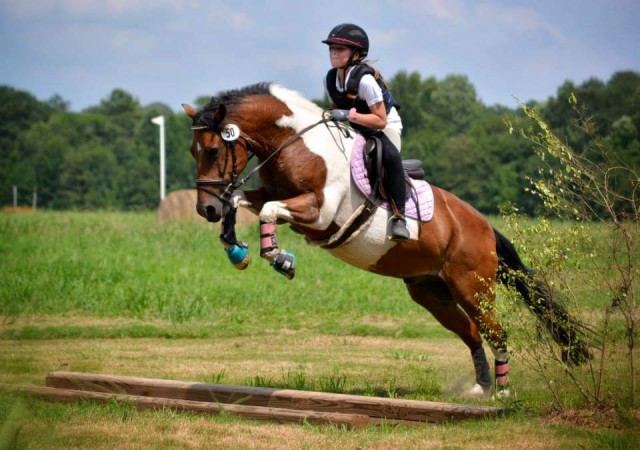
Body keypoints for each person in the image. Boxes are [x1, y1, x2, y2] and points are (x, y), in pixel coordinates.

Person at [322, 23, 410, 241]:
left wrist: (348, 116)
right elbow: (338, 106)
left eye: (340, 48)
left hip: (384, 124)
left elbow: (379, 120)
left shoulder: (365, 80)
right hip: (357, 122)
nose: (334, 52)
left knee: (389, 156)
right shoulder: (330, 79)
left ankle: (399, 217)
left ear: (357, 54)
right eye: (332, 47)